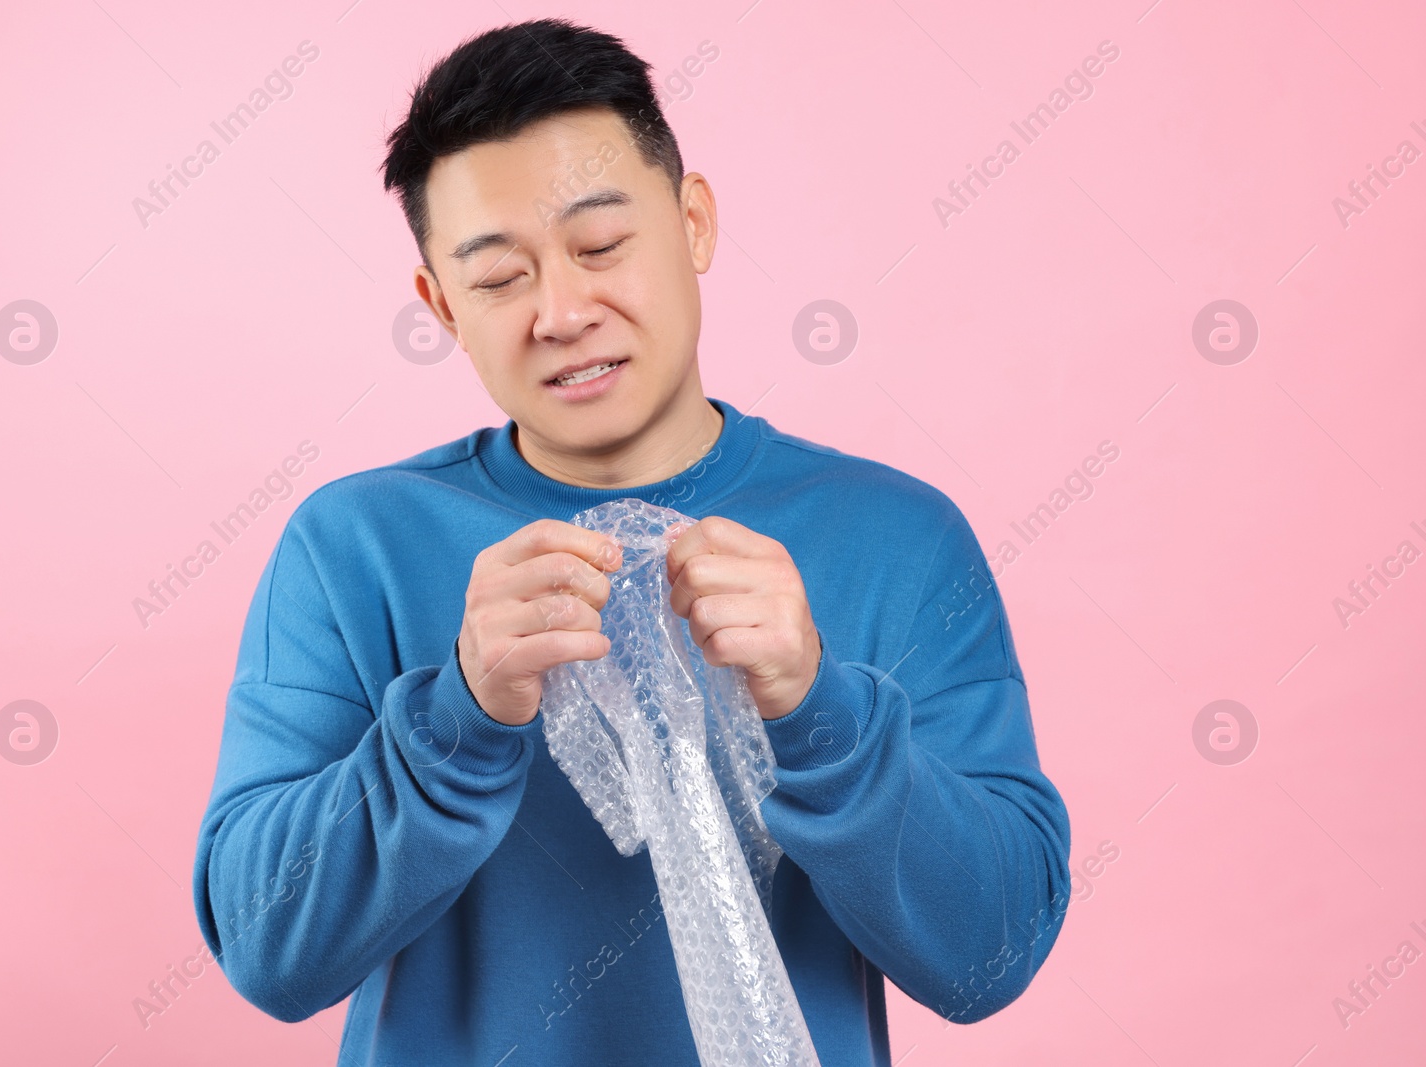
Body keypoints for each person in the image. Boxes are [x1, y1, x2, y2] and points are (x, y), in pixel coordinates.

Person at [191, 17, 1072, 1066]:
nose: (561, 311)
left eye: (601, 245)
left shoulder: (896, 536)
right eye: (497, 277)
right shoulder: (352, 547)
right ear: (439, 306)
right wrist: (457, 713)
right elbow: (265, 949)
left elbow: (991, 954)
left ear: (693, 223)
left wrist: (816, 702)